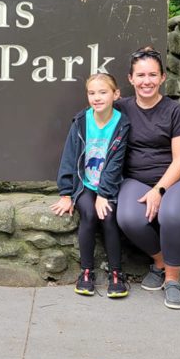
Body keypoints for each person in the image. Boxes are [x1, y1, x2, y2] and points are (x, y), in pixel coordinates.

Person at [114, 47, 180, 310]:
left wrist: (159, 190)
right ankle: (161, 262)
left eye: (152, 74)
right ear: (130, 79)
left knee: (171, 216)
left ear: (162, 78)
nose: (146, 81)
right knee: (128, 217)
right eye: (140, 75)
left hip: (178, 180)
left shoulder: (174, 111)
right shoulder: (121, 108)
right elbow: (93, 117)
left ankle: (173, 281)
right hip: (136, 179)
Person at [51, 73, 131, 298]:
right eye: (92, 93)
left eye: (103, 92)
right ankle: (86, 272)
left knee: (108, 216)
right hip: (85, 184)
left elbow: (116, 163)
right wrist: (66, 193)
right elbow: (69, 156)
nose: (97, 97)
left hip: (110, 185)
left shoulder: (121, 123)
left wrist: (104, 194)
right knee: (88, 213)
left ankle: (116, 273)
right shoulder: (81, 121)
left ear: (116, 94)